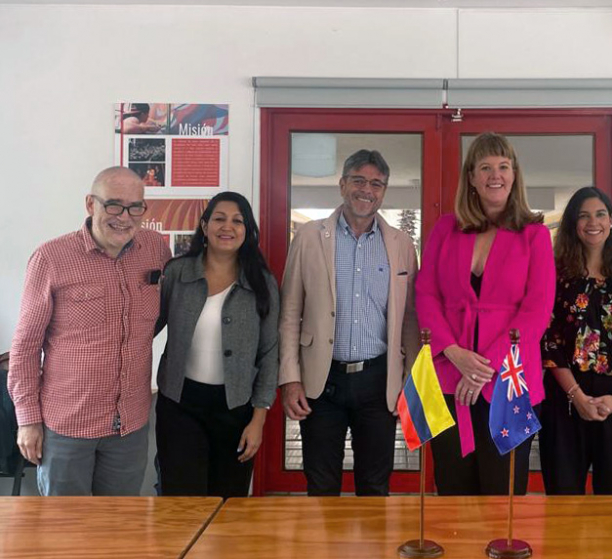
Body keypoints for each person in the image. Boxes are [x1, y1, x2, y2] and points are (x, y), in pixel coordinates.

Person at [8, 167, 171, 495]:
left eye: (135, 207)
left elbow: (155, 318)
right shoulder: (51, 258)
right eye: (113, 205)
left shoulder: (155, 249)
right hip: (68, 426)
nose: (124, 217)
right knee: (68, 523)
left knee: (119, 520)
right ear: (90, 204)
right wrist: (27, 419)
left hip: (130, 425)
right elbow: (25, 346)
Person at [416, 132, 555, 495]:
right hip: (448, 376)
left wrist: (482, 367)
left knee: (503, 495)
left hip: (509, 379)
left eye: (503, 166)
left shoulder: (535, 234)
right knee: (452, 489)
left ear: (514, 175)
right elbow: (426, 294)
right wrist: (454, 353)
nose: (496, 175)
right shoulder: (445, 229)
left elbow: (537, 310)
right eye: (486, 167)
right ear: (472, 178)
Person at [278, 150, 419, 496]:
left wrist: (410, 378)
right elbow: (290, 313)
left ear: (383, 191)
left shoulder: (401, 245)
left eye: (376, 184)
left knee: (375, 486)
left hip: (378, 382)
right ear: (342, 185)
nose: (366, 190)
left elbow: (410, 319)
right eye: (358, 180)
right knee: (321, 485)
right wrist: (290, 379)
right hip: (322, 382)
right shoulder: (309, 237)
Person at [155, 192, 279, 498]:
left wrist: (258, 420)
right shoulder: (177, 272)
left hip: (236, 408)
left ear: (247, 230)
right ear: (204, 225)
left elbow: (269, 353)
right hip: (180, 404)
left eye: (238, 221)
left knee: (228, 503)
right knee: (182, 502)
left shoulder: (262, 282)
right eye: (220, 219)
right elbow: (147, 327)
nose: (228, 227)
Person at [539, 187, 612, 495]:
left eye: (601, 214)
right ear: (573, 224)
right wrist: (577, 397)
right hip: (565, 402)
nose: (594, 222)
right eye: (584, 216)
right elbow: (548, 342)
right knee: (563, 502)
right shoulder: (555, 276)